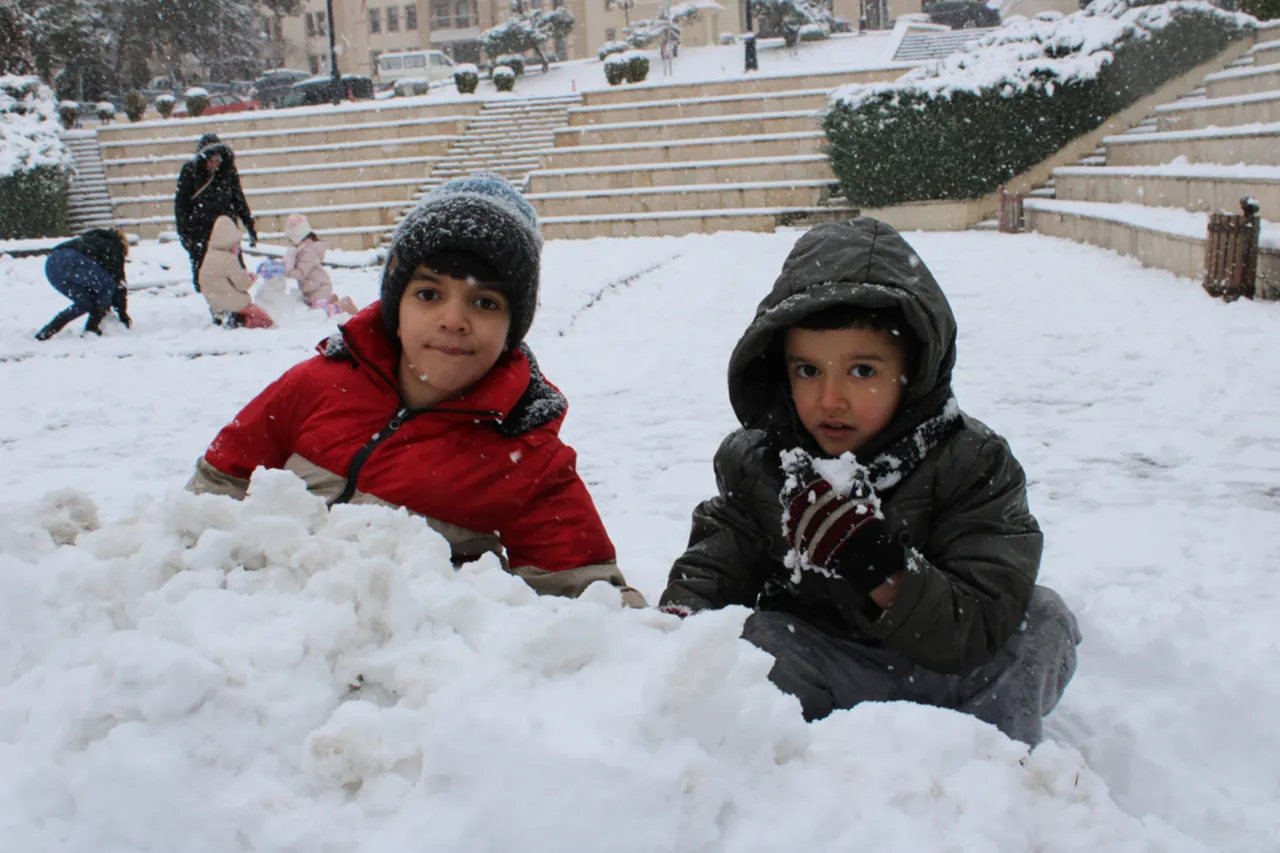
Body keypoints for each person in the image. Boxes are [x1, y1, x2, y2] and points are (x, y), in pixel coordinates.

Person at [658, 218, 1080, 745]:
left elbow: (979, 618)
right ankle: (797, 761)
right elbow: (717, 564)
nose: (830, 399)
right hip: (824, 666)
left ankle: (993, 764)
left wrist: (883, 571)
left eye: (862, 371)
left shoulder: (974, 463)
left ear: (914, 371)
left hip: (948, 673)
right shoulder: (763, 463)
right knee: (755, 641)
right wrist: (683, 623)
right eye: (808, 371)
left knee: (1042, 621)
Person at [187, 174, 643, 606]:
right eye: (429, 294)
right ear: (395, 307)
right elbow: (207, 499)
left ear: (512, 329)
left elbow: (590, 608)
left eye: (485, 302)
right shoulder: (314, 385)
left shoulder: (530, 457)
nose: (453, 320)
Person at [174, 133, 257, 292]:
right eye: (210, 161)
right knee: (207, 279)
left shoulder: (228, 171)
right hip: (201, 231)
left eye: (217, 160)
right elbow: (181, 205)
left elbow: (238, 198)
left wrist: (249, 223)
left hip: (226, 230)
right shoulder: (190, 171)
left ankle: (235, 301)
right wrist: (185, 234)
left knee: (234, 274)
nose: (214, 165)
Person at [34, 228, 131, 341]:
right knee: (108, 286)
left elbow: (94, 279)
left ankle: (47, 331)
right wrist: (122, 314)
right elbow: (118, 283)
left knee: (85, 303)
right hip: (73, 260)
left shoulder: (90, 239)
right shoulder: (113, 246)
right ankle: (91, 328)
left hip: (52, 264)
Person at [198, 216, 274, 329]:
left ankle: (223, 317)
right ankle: (240, 321)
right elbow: (242, 284)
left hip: (215, 305)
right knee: (265, 319)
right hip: (234, 305)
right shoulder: (229, 259)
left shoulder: (209, 257)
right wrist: (250, 278)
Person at [283, 213, 359, 316]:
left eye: (291, 239)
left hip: (319, 288)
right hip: (310, 289)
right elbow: (290, 264)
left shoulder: (309, 251)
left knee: (322, 313)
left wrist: (285, 271)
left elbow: (301, 272)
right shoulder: (300, 250)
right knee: (315, 311)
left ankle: (345, 303)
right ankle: (333, 301)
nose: (290, 243)